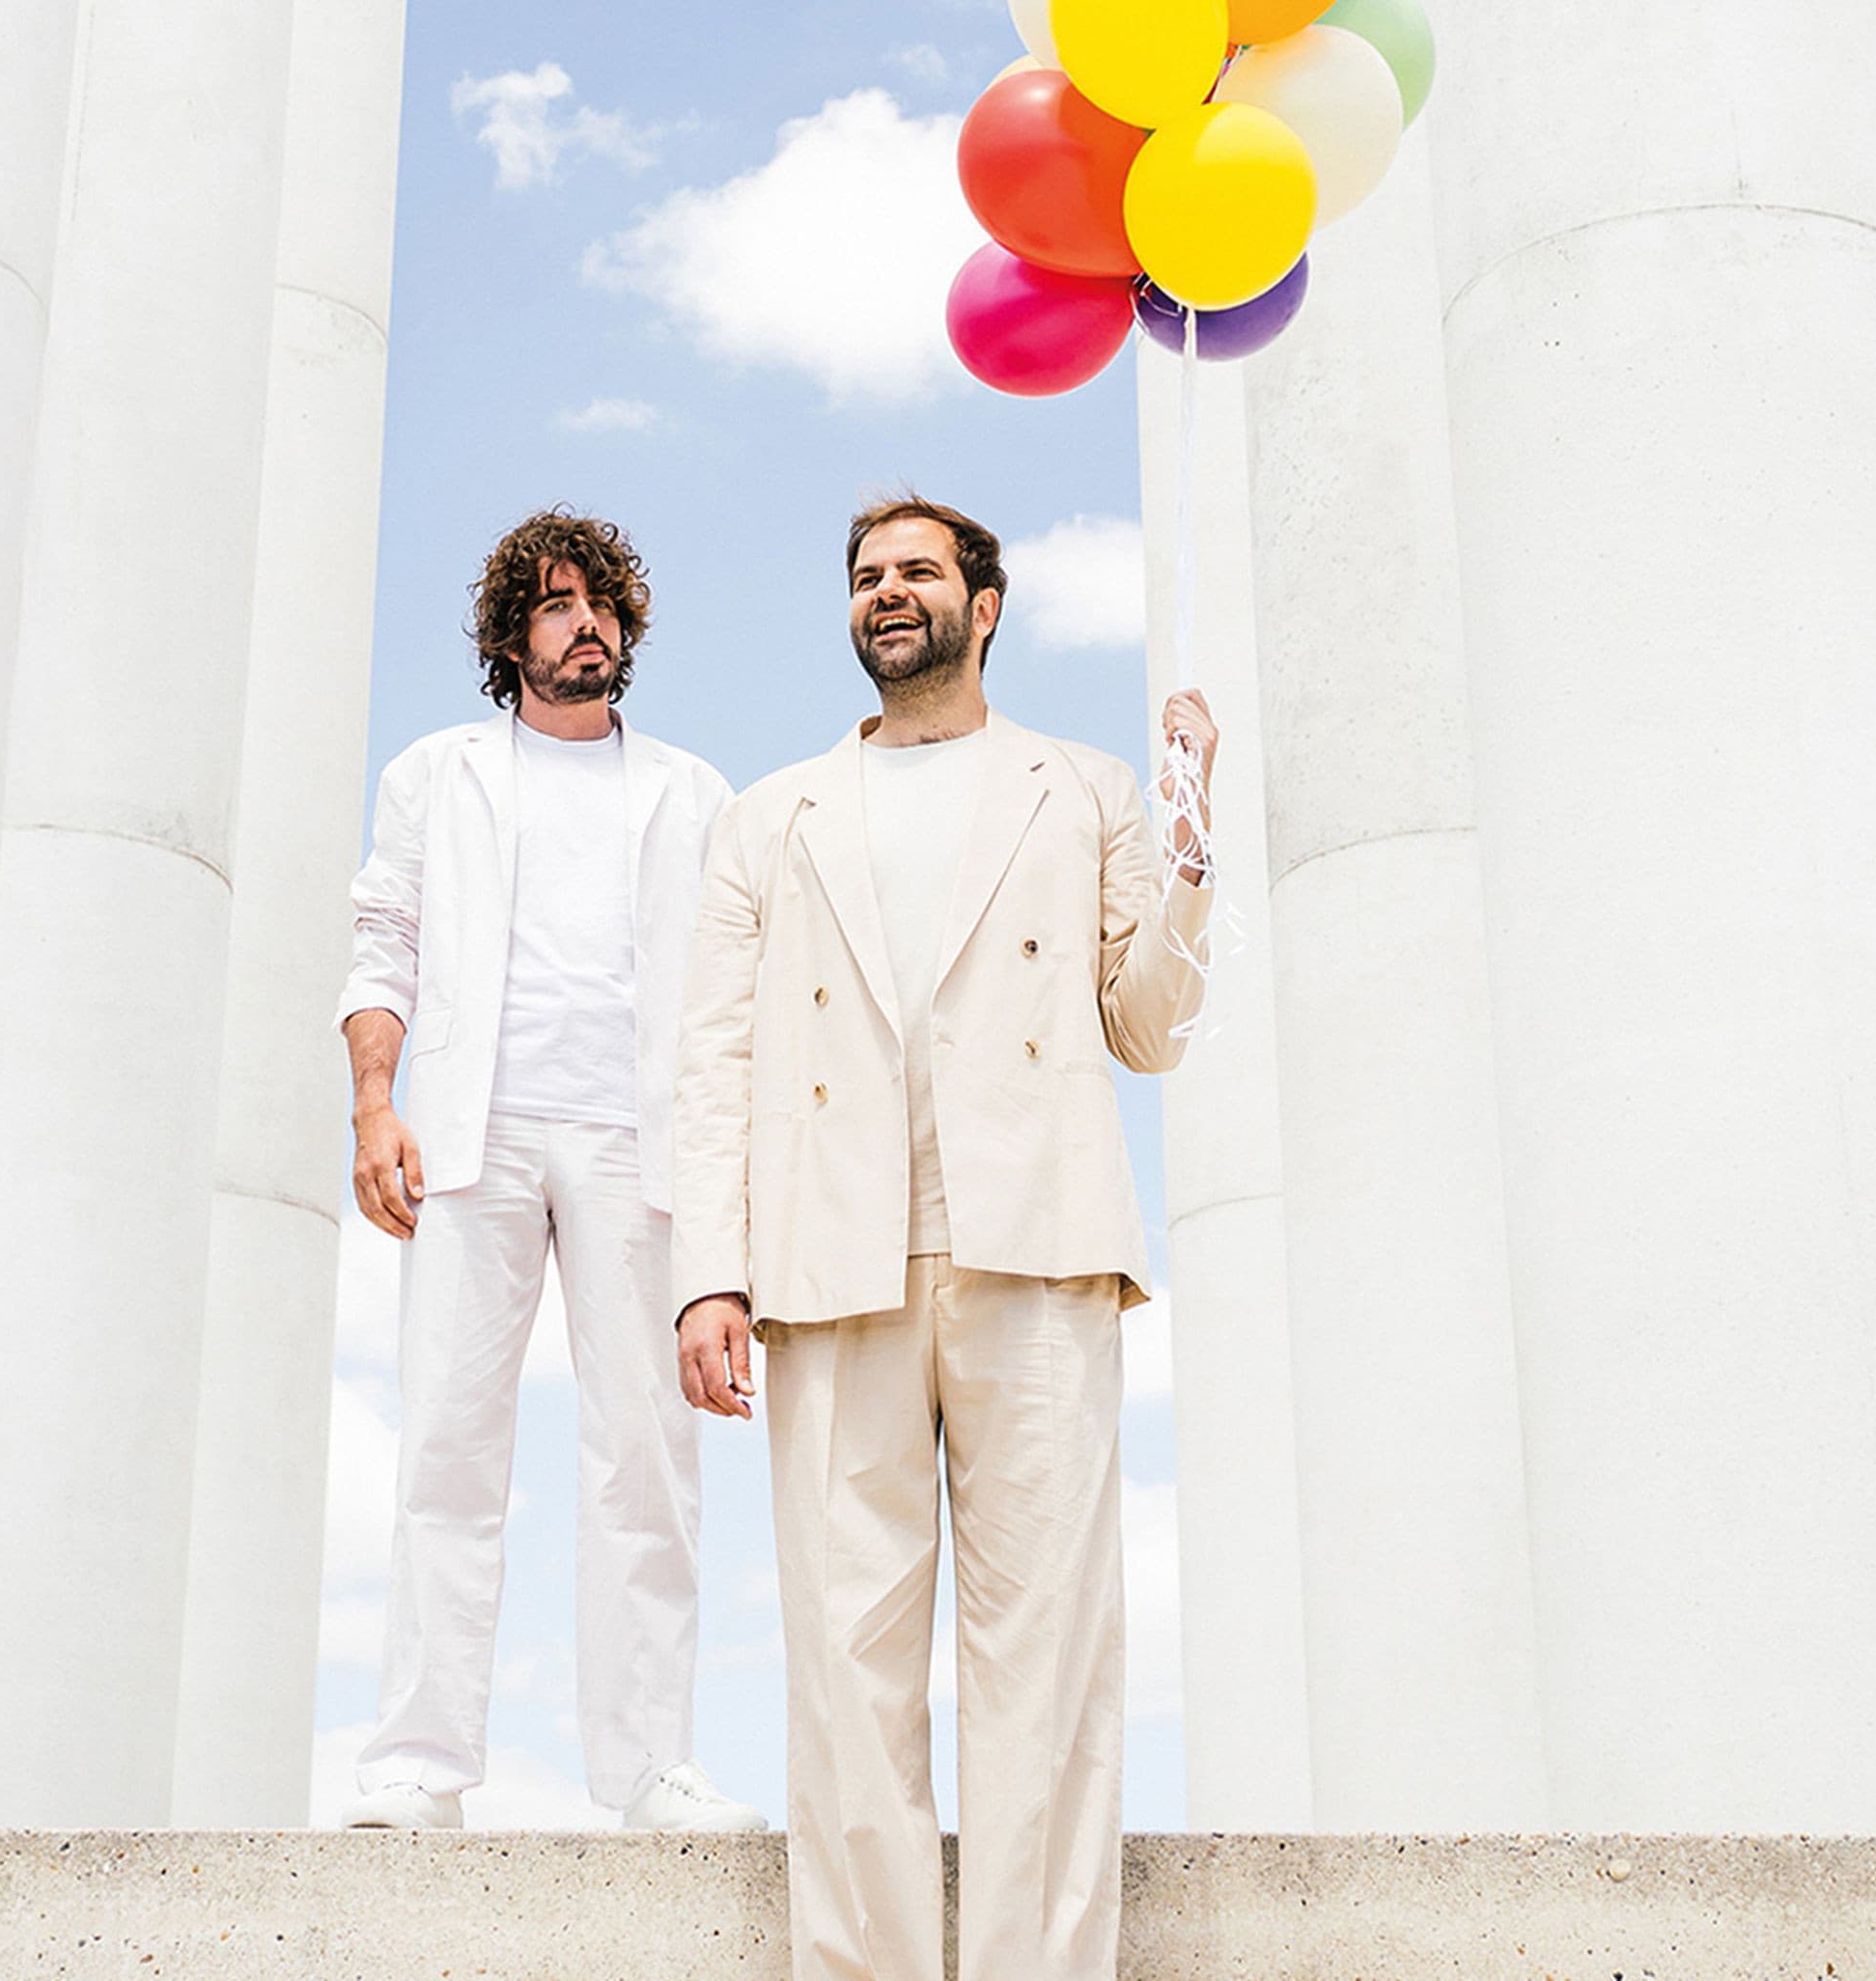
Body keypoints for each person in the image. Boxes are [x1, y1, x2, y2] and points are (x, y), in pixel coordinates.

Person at [670, 495, 1217, 1979]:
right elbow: (714, 1058)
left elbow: (1148, 1027)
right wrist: (707, 1276)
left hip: (1035, 1250)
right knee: (846, 1675)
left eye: (918, 571)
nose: (887, 592)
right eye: (865, 576)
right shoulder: (765, 819)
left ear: (986, 604)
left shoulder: (1089, 786)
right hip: (825, 1261)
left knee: (1043, 1661)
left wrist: (1187, 840)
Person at [335, 508, 763, 1835]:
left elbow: (735, 994)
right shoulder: (435, 774)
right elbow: (382, 942)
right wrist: (373, 1107)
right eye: (558, 603)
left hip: (640, 1147)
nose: (588, 625)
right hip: (474, 1133)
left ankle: (650, 1773)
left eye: (603, 605)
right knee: (449, 1446)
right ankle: (418, 1764)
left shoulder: (694, 795)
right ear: (511, 629)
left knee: (647, 1457)